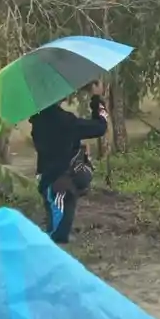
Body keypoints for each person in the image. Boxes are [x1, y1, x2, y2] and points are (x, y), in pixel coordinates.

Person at [29, 80, 109, 245]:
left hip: (51, 179)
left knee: (61, 228)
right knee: (57, 235)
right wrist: (97, 99)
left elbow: (54, 145)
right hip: (58, 182)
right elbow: (100, 127)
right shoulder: (64, 121)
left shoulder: (38, 120)